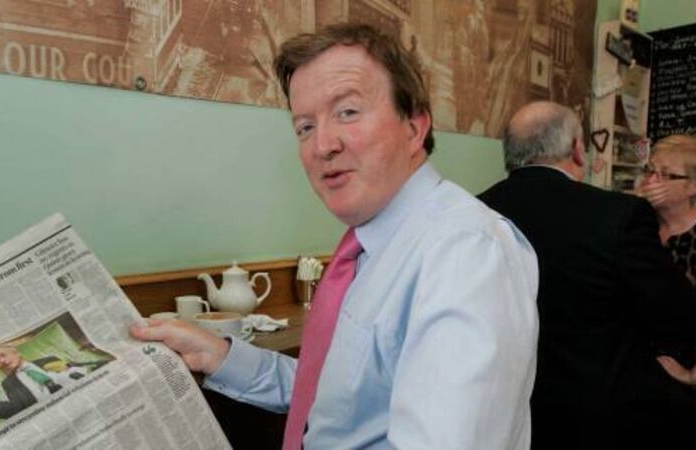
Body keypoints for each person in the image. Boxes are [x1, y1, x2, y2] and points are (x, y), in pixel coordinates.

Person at [131, 24, 539, 449]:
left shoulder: (465, 251)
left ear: (414, 127)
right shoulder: (368, 247)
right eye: (305, 127)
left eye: (347, 112)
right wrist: (219, 355)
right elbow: (336, 399)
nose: (322, 145)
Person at [478, 101, 696, 448]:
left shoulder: (474, 210)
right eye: (651, 170)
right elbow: (678, 316)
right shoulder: (619, 215)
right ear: (577, 149)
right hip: (600, 412)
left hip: (504, 405)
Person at [636, 134, 696, 393]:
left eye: (665, 175)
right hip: (638, 369)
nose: (650, 181)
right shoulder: (639, 227)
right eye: (650, 170)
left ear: (695, 186)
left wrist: (695, 375)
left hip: (691, 373)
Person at [0, 345, 86, 420]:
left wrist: (73, 371)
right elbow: (19, 408)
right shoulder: (8, 383)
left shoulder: (49, 359)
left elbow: (81, 369)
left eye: (3, 355)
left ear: (16, 353)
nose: (2, 361)